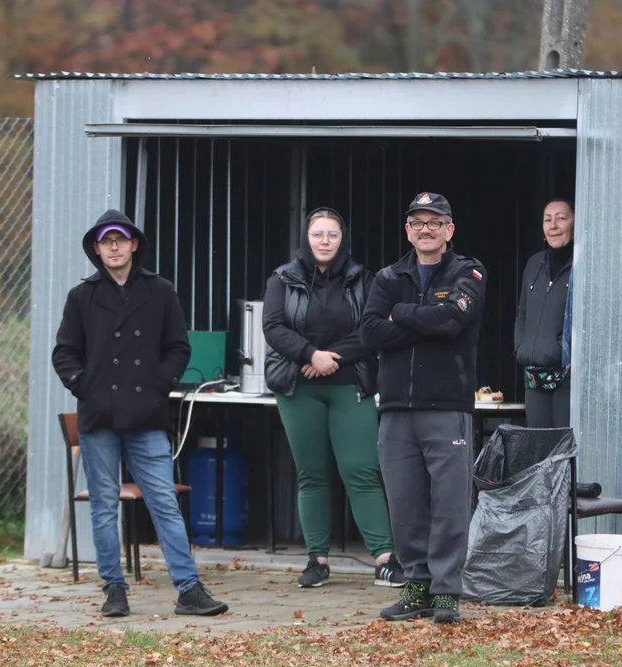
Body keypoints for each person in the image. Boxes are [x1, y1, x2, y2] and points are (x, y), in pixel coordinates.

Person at [52, 209, 229, 619]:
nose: (113, 246)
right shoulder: (82, 296)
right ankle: (114, 589)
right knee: (104, 506)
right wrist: (85, 386)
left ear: (134, 244)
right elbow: (64, 352)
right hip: (99, 417)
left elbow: (178, 347)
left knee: (164, 502)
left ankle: (189, 589)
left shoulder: (160, 290)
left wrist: (157, 384)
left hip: (147, 415)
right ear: (96, 248)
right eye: (105, 240)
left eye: (120, 239)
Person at [360, 192, 487, 624]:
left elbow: (453, 321)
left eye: (435, 222)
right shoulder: (387, 277)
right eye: (417, 222)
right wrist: (423, 317)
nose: (426, 229)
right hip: (396, 408)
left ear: (449, 230)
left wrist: (400, 315)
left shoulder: (469, 271)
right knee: (406, 503)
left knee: (450, 503)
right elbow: (371, 334)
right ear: (408, 230)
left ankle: (447, 591)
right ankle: (416, 587)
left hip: (447, 406)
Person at [262, 207, 405, 590]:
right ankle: (317, 559)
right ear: (306, 238)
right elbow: (273, 326)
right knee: (312, 474)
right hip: (298, 387)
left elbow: (373, 328)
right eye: (317, 234)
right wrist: (310, 355)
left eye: (332, 235)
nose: (325, 241)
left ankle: (385, 558)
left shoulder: (363, 280)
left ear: (344, 239)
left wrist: (330, 358)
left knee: (361, 471)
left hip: (349, 384)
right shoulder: (282, 278)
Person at [514, 198, 574, 429]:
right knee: (540, 452)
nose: (554, 225)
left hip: (566, 377)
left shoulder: (582, 264)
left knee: (563, 451)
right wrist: (521, 347)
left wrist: (564, 350)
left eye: (561, 218)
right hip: (534, 376)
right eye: (548, 220)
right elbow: (522, 312)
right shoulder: (534, 264)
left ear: (574, 223)